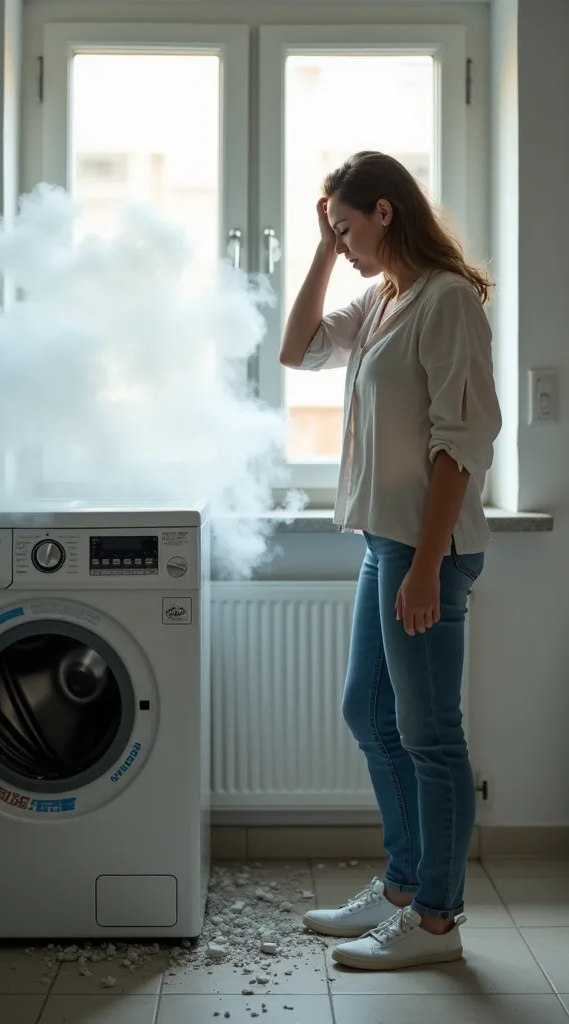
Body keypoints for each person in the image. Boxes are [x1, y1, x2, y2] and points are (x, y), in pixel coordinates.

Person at [280, 151, 502, 972]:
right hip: (387, 542)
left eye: (347, 228)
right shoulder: (383, 299)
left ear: (386, 211)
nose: (342, 243)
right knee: (368, 714)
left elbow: (461, 448)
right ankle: (406, 885)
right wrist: (317, 249)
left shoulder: (447, 305)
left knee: (430, 734)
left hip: (426, 551)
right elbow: (297, 350)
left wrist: (425, 565)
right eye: (333, 231)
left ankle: (436, 923)